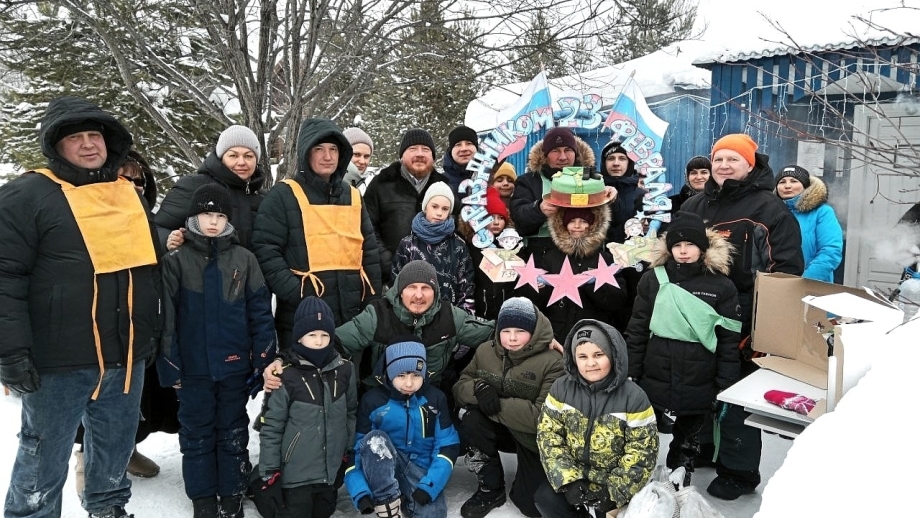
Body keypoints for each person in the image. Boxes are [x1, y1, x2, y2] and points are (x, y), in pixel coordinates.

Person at [0, 96, 161, 518]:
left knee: (114, 449)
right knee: (42, 458)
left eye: (95, 135)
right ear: (56, 145)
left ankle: (108, 509)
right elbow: (4, 278)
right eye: (75, 137)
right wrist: (10, 351)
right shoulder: (25, 196)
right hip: (59, 361)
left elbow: (150, 273)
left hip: (125, 356)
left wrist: (153, 333)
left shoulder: (127, 195)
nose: (89, 144)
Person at [681, 133, 804, 500]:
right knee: (699, 384)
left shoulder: (768, 208)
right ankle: (703, 447)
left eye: (733, 159)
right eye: (718, 159)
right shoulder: (695, 205)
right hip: (696, 312)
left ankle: (739, 470)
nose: (723, 165)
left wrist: (760, 324)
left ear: (750, 165)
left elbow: (785, 271)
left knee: (736, 395)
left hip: (744, 315)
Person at [158, 182, 277, 518]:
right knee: (196, 433)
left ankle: (232, 493)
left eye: (220, 216)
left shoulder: (244, 259)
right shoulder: (176, 260)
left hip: (234, 366)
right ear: (193, 217)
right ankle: (203, 499)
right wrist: (170, 365)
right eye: (206, 214)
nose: (213, 221)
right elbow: (166, 320)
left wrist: (262, 359)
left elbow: (260, 313)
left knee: (232, 430)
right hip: (192, 369)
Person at [72, 149, 178, 492]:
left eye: (138, 180)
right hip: (98, 325)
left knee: (140, 396)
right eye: (122, 177)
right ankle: (87, 456)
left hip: (142, 324)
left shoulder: (149, 220)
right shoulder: (89, 217)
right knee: (99, 395)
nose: (131, 185)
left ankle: (126, 448)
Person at [626, 211, 742, 486]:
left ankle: (680, 478)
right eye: (677, 245)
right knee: (642, 431)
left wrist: (725, 382)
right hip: (656, 370)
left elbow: (728, 338)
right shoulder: (652, 280)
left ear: (703, 247)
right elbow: (638, 327)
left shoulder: (721, 285)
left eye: (690, 244)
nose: (683, 250)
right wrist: (632, 370)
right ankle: (640, 479)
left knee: (689, 437)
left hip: (699, 374)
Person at [251, 118, 382, 349]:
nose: (327, 156)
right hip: (302, 319)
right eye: (319, 149)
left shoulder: (353, 196)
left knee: (348, 372)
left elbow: (369, 254)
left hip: (352, 318)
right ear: (306, 152)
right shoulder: (283, 195)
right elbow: (266, 251)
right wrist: (298, 295)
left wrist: (370, 306)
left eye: (333, 149)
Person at [453, 298, 565, 518]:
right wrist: (479, 389)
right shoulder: (485, 351)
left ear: (534, 331)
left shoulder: (553, 362)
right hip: (499, 429)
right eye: (506, 331)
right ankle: (491, 488)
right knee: (471, 418)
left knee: (531, 505)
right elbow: (459, 386)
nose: (512, 338)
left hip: (532, 439)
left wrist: (496, 403)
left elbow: (541, 417)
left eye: (520, 331)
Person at [535, 320, 658, 517]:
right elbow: (548, 437)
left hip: (611, 482)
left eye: (599, 355)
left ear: (613, 355)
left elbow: (642, 453)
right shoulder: (561, 389)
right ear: (573, 358)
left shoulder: (634, 398)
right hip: (575, 475)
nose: (591, 363)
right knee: (546, 499)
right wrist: (569, 481)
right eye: (582, 356)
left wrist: (614, 492)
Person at [255, 296, 357, 518]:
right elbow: (272, 427)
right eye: (312, 335)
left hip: (329, 474)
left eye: (324, 335)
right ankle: (255, 482)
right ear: (299, 336)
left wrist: (347, 452)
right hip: (295, 475)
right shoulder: (285, 375)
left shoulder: (345, 370)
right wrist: (270, 473)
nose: (319, 341)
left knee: (324, 512)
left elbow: (350, 414)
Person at [344, 339, 461, 518]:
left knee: (434, 514)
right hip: (383, 470)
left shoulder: (435, 399)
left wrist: (430, 485)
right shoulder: (373, 401)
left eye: (416, 375)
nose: (409, 383)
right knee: (375, 439)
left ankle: (406, 499)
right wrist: (360, 491)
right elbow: (357, 451)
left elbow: (447, 446)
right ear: (390, 373)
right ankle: (387, 503)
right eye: (401, 375)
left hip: (420, 470)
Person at [156, 124, 266, 251]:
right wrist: (170, 240)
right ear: (221, 157)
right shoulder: (193, 185)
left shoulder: (264, 198)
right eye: (233, 156)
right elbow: (157, 229)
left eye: (248, 156)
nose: (241, 162)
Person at [364, 128, 450, 287]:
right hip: (390, 278)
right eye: (413, 149)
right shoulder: (381, 184)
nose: (420, 154)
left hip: (437, 279)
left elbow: (454, 229)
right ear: (402, 156)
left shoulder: (444, 187)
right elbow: (368, 227)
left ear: (433, 157)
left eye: (425, 149)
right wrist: (389, 264)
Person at [535, 201, 629, 342]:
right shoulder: (550, 258)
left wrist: (590, 283)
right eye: (572, 221)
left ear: (593, 225)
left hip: (594, 336)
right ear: (563, 225)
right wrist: (539, 289)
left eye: (583, 221)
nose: (577, 226)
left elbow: (617, 301)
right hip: (558, 335)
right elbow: (537, 303)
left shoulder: (605, 259)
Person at [510, 127, 601, 264]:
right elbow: (518, 218)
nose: (563, 157)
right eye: (555, 151)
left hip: (585, 254)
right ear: (545, 155)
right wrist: (538, 209)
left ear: (576, 153)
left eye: (568, 150)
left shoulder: (591, 178)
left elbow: (611, 218)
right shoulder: (529, 181)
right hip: (542, 254)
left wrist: (613, 198)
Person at [392, 181, 474, 313]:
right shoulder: (408, 244)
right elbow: (396, 283)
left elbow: (466, 286)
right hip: (413, 314)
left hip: (448, 315)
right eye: (435, 207)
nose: (439, 213)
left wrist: (461, 318)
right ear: (425, 207)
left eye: (445, 209)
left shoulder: (458, 245)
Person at [775, 165, 843, 283]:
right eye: (782, 182)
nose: (787, 186)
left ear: (805, 185)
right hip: (774, 283)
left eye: (793, 181)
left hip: (812, 284)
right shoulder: (771, 212)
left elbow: (831, 251)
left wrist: (805, 279)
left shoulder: (822, 212)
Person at [458, 187, 516, 321]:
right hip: (479, 312)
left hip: (505, 311)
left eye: (501, 218)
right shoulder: (471, 247)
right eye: (490, 217)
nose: (496, 222)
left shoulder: (511, 246)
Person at [599, 141, 644, 245]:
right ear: (604, 162)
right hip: (599, 252)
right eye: (611, 158)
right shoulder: (593, 192)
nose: (616, 163)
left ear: (629, 162)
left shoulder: (642, 196)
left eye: (622, 158)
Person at [442, 125, 479, 199]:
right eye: (458, 145)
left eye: (469, 143)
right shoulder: (441, 182)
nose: (463, 149)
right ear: (451, 150)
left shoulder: (492, 175)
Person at [343, 127, 376, 194]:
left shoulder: (369, 190)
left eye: (366, 156)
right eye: (357, 154)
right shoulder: (328, 187)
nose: (362, 161)